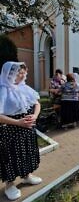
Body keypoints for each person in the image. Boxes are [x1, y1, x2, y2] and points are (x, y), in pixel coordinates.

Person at [0, 62, 42, 201]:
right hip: (11, 131)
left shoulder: (25, 88)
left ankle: (26, 176)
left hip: (28, 129)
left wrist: (35, 116)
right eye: (19, 72)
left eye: (24, 72)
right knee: (11, 157)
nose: (23, 75)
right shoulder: (3, 90)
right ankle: (9, 185)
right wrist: (18, 122)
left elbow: (37, 103)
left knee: (27, 152)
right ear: (9, 73)